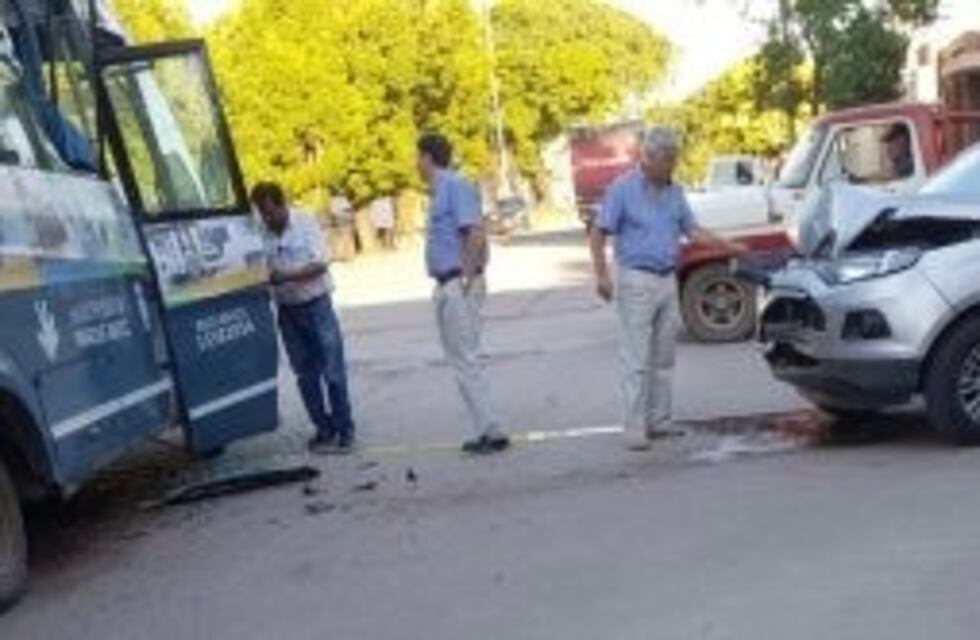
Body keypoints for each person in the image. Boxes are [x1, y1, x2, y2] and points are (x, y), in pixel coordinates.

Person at [589, 127, 747, 451]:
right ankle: (634, 428)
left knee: (664, 356)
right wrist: (602, 275)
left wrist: (729, 245)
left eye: (674, 160)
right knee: (635, 357)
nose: (672, 167)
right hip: (636, 278)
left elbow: (692, 230)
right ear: (648, 158)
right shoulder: (622, 189)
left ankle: (659, 420)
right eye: (668, 161)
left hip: (666, 279)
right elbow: (598, 232)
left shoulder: (675, 192)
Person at [416, 133, 508, 455]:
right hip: (446, 283)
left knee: (467, 359)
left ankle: (491, 431)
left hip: (458, 282)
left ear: (428, 157)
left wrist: (467, 279)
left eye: (418, 157)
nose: (416, 164)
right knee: (461, 359)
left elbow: (475, 233)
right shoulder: (439, 191)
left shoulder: (455, 186)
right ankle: (485, 427)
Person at [252, 181, 356, 455]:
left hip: (317, 305)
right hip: (287, 312)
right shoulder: (260, 233)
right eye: (263, 214)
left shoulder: (305, 223)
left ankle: (345, 428)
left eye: (271, 212)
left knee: (332, 371)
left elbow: (321, 263)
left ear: (282, 204)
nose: (268, 219)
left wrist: (285, 276)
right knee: (305, 375)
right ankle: (323, 428)